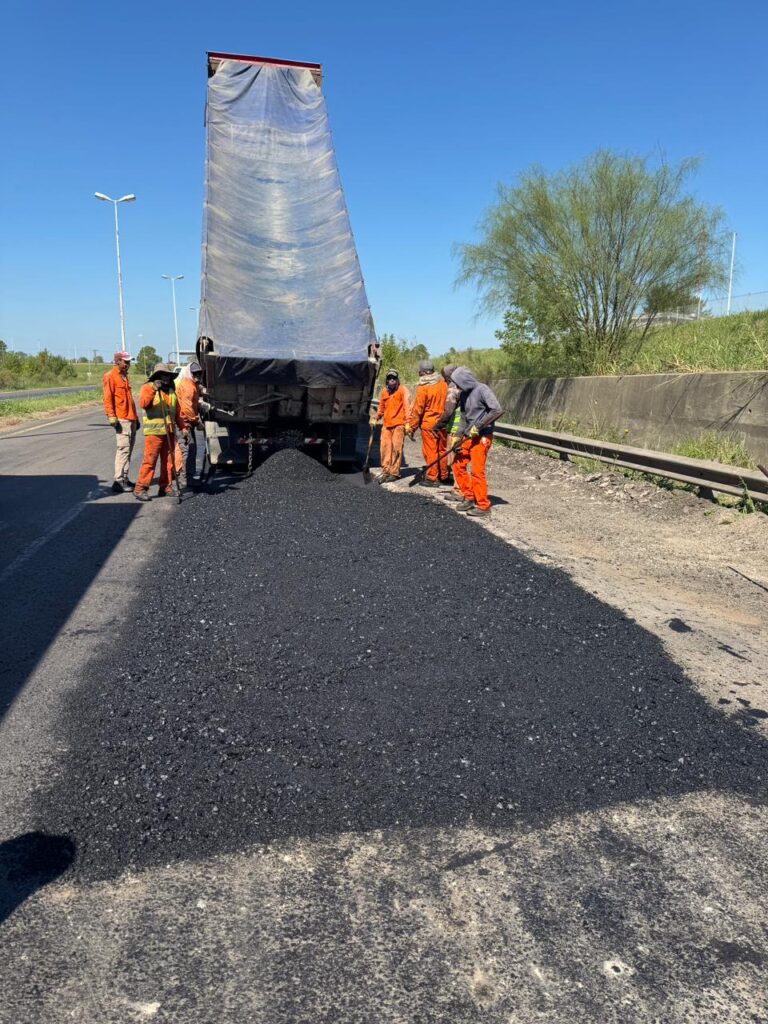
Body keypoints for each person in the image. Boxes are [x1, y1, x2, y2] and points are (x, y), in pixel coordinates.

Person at [449, 367, 503, 517]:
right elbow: (464, 417)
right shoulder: (464, 394)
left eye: (458, 383)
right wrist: (457, 436)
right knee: (458, 463)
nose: (457, 387)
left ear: (465, 380)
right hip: (469, 435)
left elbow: (497, 410)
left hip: (483, 435)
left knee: (477, 470)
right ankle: (469, 496)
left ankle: (483, 506)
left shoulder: (482, 389)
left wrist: (478, 427)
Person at [134, 363, 182, 502]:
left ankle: (166, 487)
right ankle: (140, 488)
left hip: (169, 431)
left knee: (168, 462)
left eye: (167, 375)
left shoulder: (172, 390)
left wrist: (183, 427)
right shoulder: (148, 387)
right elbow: (143, 403)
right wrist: (154, 388)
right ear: (157, 376)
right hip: (154, 433)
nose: (166, 378)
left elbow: (177, 411)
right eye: (163, 375)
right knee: (150, 461)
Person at [405, 360, 448, 488]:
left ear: (423, 372)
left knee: (431, 452)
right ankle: (443, 475)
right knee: (442, 450)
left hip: (430, 424)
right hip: (444, 423)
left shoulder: (424, 387)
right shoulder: (443, 384)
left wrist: (411, 427)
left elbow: (418, 409)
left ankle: (432, 478)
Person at [102, 351, 139, 494]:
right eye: (126, 362)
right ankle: (118, 481)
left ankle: (125, 477)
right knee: (123, 450)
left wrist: (136, 418)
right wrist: (111, 416)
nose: (128, 364)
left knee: (128, 450)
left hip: (130, 418)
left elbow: (130, 400)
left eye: (129, 362)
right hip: (122, 418)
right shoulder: (110, 376)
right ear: (118, 361)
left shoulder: (125, 376)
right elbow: (107, 398)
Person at [174, 361, 210, 487]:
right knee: (187, 451)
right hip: (183, 423)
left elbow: (194, 402)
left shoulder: (192, 384)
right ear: (190, 373)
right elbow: (187, 408)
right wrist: (197, 421)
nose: (198, 376)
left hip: (187, 421)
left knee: (192, 449)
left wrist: (200, 405)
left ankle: (188, 477)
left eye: (199, 373)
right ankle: (184, 479)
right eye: (195, 373)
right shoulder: (187, 386)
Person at [370, 369, 409, 482]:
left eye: (394, 378)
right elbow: (381, 408)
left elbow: (407, 407)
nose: (392, 380)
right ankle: (386, 470)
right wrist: (375, 418)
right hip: (387, 425)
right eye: (389, 378)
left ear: (397, 380)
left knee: (396, 449)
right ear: (387, 381)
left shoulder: (403, 390)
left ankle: (394, 473)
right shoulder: (384, 392)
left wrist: (407, 423)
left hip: (399, 425)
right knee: (385, 449)